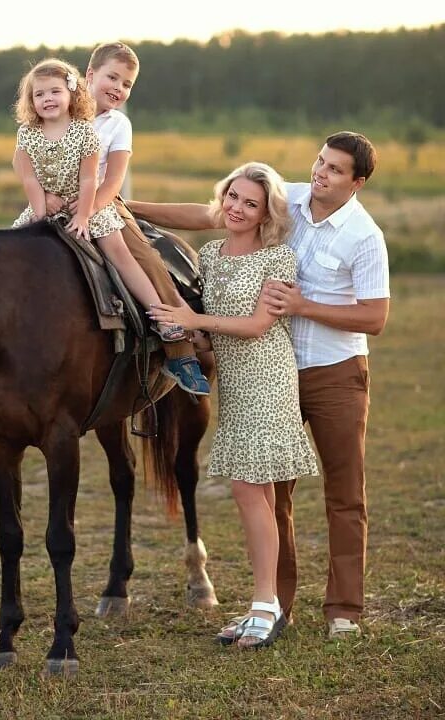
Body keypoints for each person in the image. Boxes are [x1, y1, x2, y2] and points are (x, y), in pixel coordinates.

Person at [132, 131, 390, 640]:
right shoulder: (285, 198)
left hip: (335, 372)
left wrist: (300, 307)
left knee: (344, 494)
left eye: (336, 170)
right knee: (274, 492)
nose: (321, 173)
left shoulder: (364, 236)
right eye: (321, 161)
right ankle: (276, 602)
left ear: (356, 183)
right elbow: (207, 214)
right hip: (276, 369)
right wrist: (123, 205)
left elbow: (376, 317)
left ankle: (343, 609)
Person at [149, 161, 319, 649]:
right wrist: (189, 332)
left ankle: (266, 606)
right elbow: (213, 337)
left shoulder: (278, 259)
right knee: (256, 496)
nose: (238, 209)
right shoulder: (210, 254)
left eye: (251, 203)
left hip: (268, 377)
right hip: (234, 382)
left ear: (267, 213)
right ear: (222, 198)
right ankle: (262, 605)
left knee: (251, 492)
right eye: (233, 198)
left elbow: (256, 327)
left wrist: (196, 316)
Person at [15, 46, 210, 396]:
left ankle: (178, 350)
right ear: (89, 77)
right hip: (51, 201)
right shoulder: (55, 110)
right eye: (112, 78)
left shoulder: (117, 123)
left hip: (103, 202)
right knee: (8, 256)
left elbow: (112, 179)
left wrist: (86, 210)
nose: (118, 88)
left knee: (146, 259)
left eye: (127, 84)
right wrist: (47, 202)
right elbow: (28, 169)